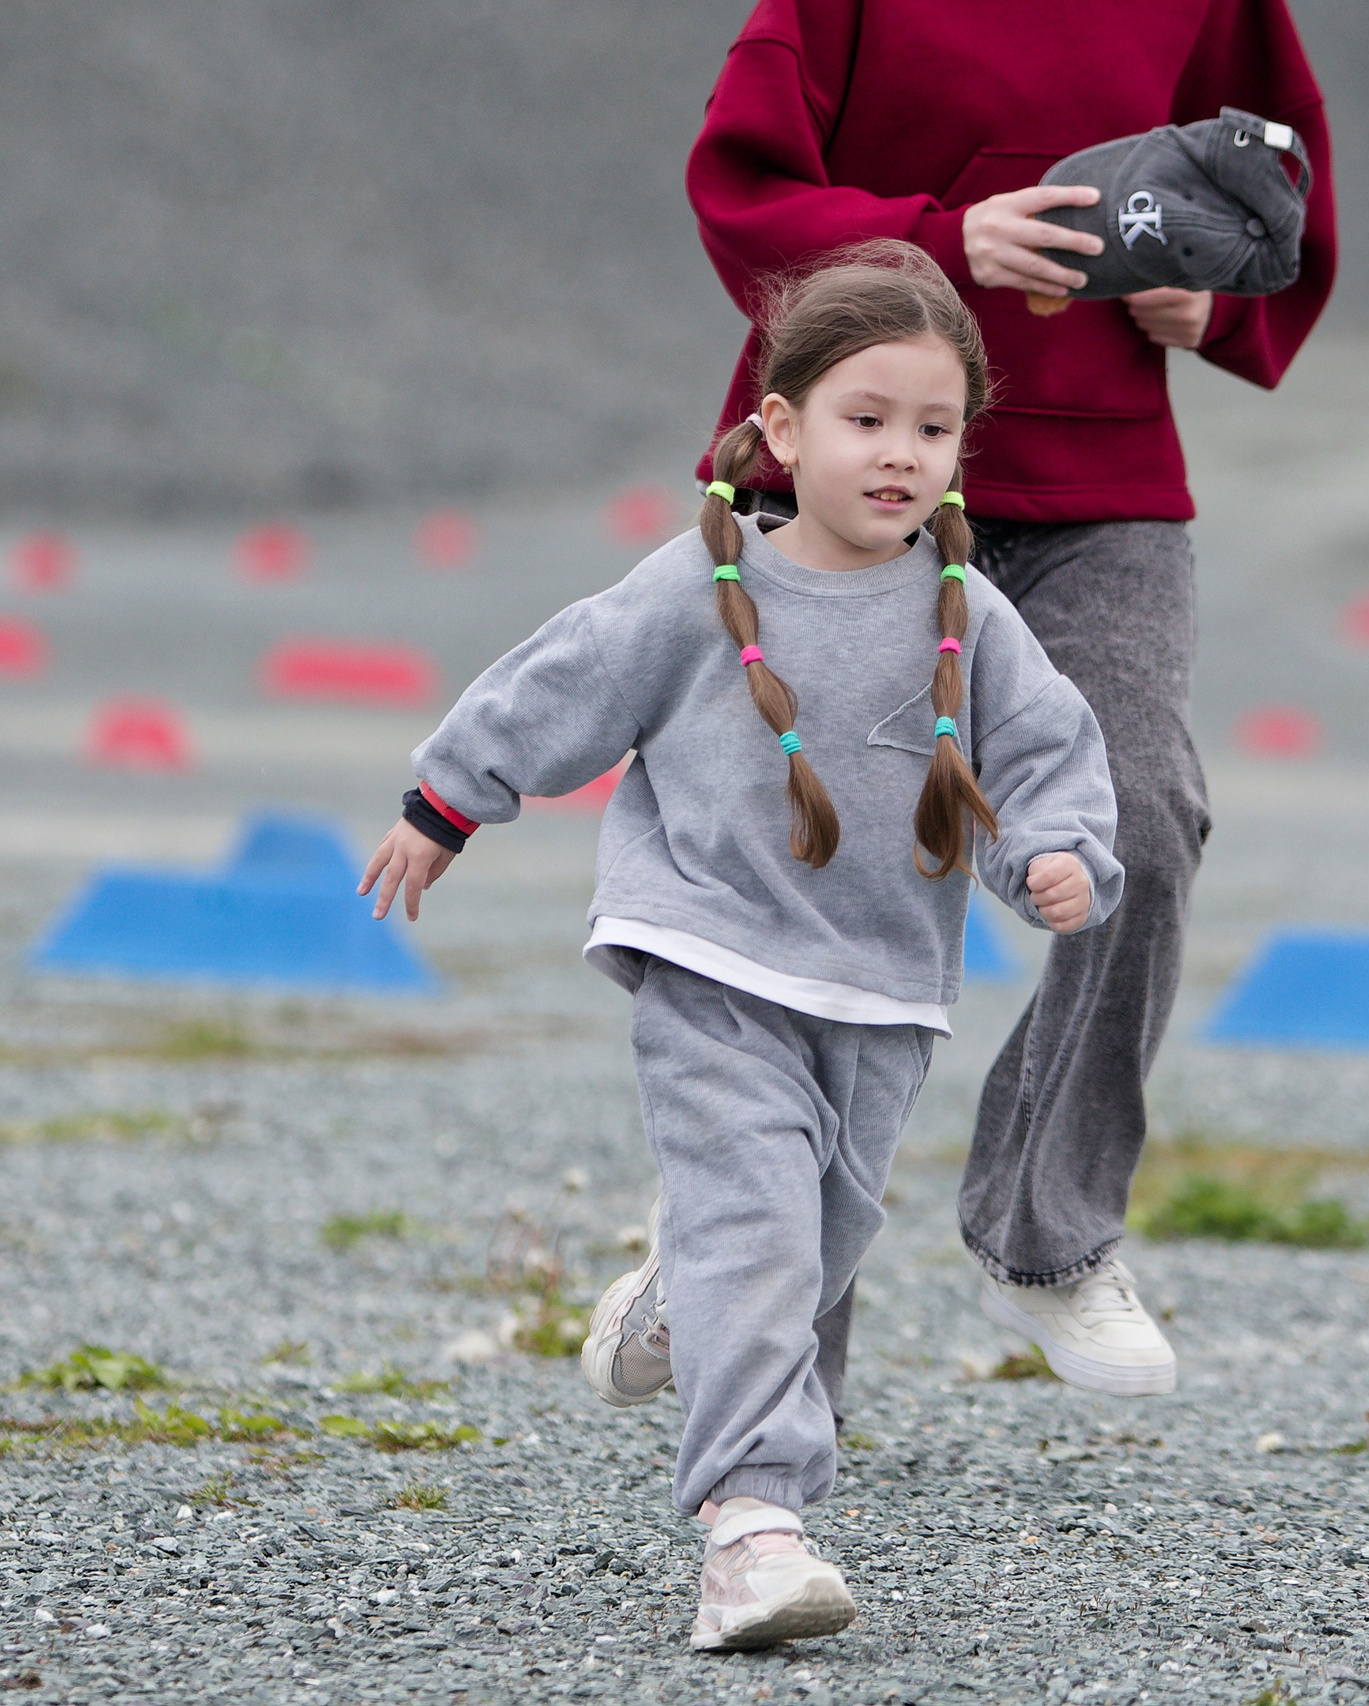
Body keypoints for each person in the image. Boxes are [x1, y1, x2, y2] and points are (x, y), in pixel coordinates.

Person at [359, 245, 1122, 1652]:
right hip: (707, 963)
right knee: (765, 1233)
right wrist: (444, 801)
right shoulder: (705, 585)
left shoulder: (971, 618)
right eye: (867, 417)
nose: (900, 454)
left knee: (816, 1239)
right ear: (782, 429)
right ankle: (752, 1529)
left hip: (884, 991)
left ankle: (679, 1289)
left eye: (934, 428)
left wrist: (1059, 856)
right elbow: (566, 679)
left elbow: (1044, 762)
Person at [686, 0, 1337, 1397]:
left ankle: (1049, 1229)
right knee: (828, 882)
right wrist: (934, 240)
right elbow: (740, 192)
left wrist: (1218, 303)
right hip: (852, 480)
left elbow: (1279, 191)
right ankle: (767, 1360)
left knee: (1139, 824)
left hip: (1105, 487)